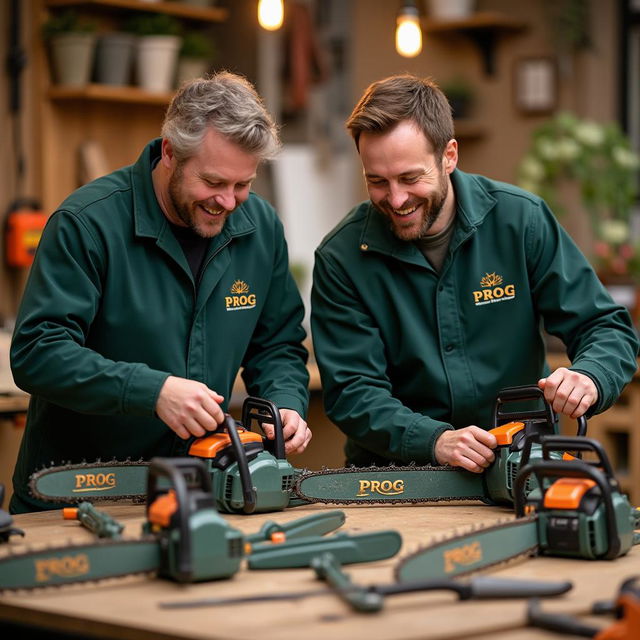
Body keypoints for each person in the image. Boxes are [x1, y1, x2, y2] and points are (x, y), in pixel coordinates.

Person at [10, 72, 311, 513]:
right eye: (212, 183)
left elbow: (278, 345)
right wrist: (153, 391)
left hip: (199, 492)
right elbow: (38, 352)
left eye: (242, 185)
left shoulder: (260, 228)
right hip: (80, 496)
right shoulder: (87, 223)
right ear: (170, 151)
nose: (228, 202)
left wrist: (283, 405)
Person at [311, 73, 639, 472]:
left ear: (449, 156)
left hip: (521, 463)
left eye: (411, 178)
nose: (396, 199)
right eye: (377, 181)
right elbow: (353, 393)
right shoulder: (341, 257)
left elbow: (604, 326)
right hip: (395, 477)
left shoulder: (521, 221)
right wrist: (434, 440)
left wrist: (590, 375)